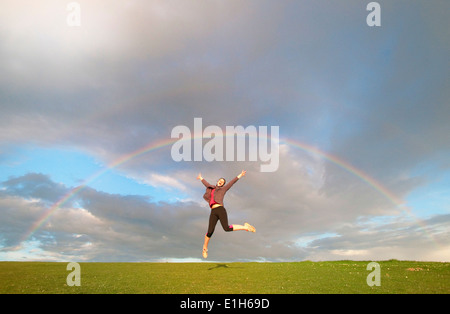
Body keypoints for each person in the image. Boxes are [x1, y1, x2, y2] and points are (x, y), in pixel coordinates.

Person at [197, 170, 255, 259]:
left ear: (223, 185)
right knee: (210, 231)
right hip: (213, 211)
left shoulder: (223, 189)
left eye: (223, 182)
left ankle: (245, 227)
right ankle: (205, 248)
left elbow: (232, 182)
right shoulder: (212, 188)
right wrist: (201, 178)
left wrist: (240, 175)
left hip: (220, 209)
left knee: (226, 228)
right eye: (220, 180)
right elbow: (206, 184)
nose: (221, 182)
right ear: (217, 182)